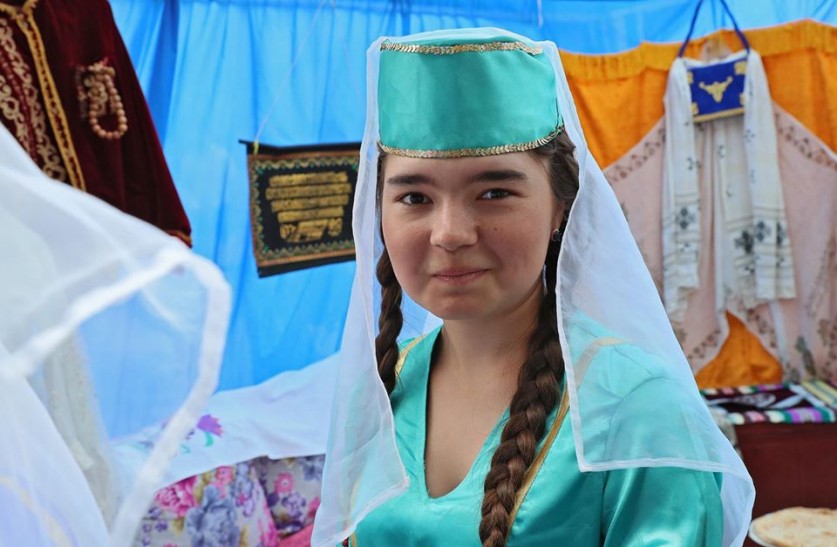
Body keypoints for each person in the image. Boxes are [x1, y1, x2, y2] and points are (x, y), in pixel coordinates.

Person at [312, 28, 754, 547]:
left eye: (494, 192)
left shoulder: (640, 410)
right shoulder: (387, 384)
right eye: (414, 197)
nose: (450, 233)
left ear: (560, 207)